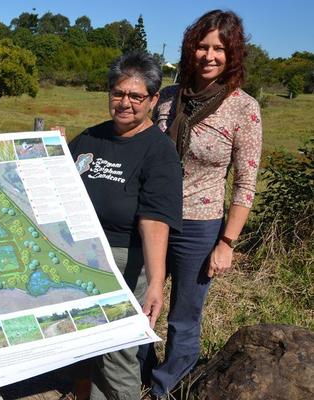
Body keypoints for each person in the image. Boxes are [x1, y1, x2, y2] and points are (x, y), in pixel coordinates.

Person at [148, 10, 263, 397]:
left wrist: (226, 243)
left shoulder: (243, 108)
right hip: (150, 219)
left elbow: (245, 183)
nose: (209, 56)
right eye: (202, 46)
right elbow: (135, 145)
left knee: (184, 316)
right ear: (190, 49)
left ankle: (166, 386)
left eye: (219, 48)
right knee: (138, 305)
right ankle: (133, 375)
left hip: (199, 226)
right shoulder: (166, 98)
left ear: (232, 55)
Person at [68, 52, 183, 400]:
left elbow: (155, 222)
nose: (125, 103)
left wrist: (155, 283)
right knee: (81, 347)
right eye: (118, 93)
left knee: (117, 356)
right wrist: (48, 150)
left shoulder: (159, 152)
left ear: (152, 100)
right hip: (81, 256)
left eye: (136, 96)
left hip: (124, 263)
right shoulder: (91, 138)